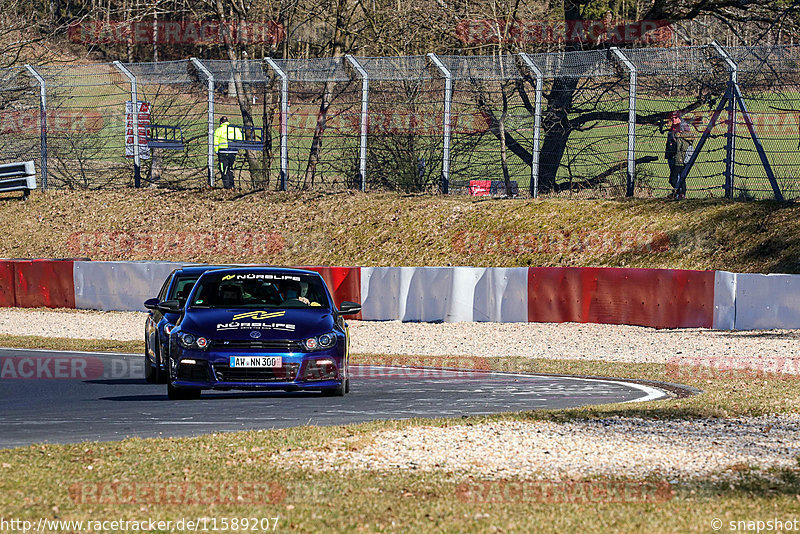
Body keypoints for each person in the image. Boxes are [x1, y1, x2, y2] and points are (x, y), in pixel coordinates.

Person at [664, 112, 694, 199]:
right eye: (672, 118)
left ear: (680, 118)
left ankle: (680, 194)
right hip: (671, 155)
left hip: (680, 157)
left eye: (676, 117)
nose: (673, 119)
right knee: (675, 177)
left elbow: (691, 137)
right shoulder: (673, 127)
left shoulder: (683, 127)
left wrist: (679, 135)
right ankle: (678, 193)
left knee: (677, 177)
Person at [213, 116, 243, 189]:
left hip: (223, 151)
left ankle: (227, 186)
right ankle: (232, 185)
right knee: (230, 168)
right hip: (233, 151)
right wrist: (236, 149)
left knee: (224, 169)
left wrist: (217, 151)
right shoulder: (235, 129)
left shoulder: (218, 130)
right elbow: (240, 138)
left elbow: (215, 142)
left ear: (221, 122)